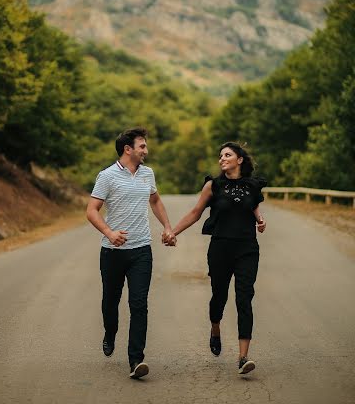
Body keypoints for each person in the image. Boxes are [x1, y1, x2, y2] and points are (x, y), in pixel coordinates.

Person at [169, 141, 266, 375]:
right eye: (220, 156)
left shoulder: (253, 186)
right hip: (220, 248)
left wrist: (260, 221)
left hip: (247, 249)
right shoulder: (213, 186)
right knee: (219, 296)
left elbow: (252, 208)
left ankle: (243, 357)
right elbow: (195, 213)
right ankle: (215, 328)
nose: (222, 159)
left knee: (244, 298)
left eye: (227, 155)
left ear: (239, 160)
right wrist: (173, 231)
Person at [86, 127, 175, 379]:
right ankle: (110, 332)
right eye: (142, 146)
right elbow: (91, 210)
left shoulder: (148, 174)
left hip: (141, 250)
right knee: (110, 302)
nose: (146, 151)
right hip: (112, 252)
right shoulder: (107, 176)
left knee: (139, 304)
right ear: (128, 149)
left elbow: (155, 200)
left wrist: (167, 227)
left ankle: (136, 360)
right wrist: (109, 232)